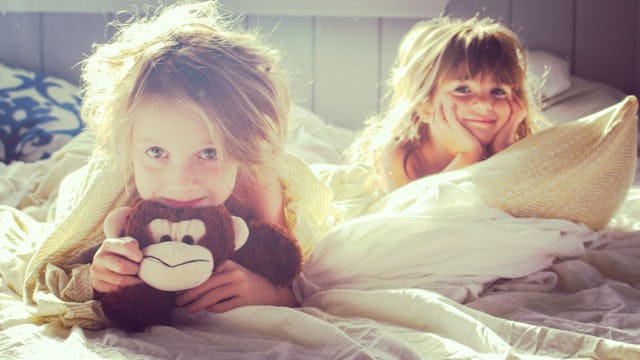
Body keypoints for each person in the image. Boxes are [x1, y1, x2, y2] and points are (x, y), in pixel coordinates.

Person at [78, 0, 334, 317]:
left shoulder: (254, 182)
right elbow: (65, 259)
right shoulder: (124, 179)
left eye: (209, 153)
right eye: (157, 152)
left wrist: (265, 291)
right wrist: (99, 276)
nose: (181, 181)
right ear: (130, 146)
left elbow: (290, 276)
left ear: (242, 145)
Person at [347, 16, 547, 192]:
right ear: (425, 105)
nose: (485, 104)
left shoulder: (513, 147)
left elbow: (515, 205)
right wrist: (468, 155)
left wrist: (501, 148)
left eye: (498, 91)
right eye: (462, 89)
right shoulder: (400, 154)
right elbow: (413, 215)